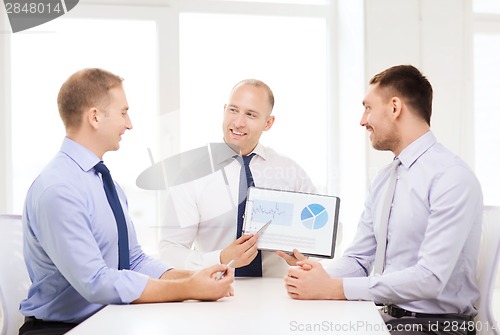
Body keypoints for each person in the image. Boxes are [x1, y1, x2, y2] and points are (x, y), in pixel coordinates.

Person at [19, 68, 233, 335]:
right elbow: (96, 283)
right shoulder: (58, 189)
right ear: (95, 117)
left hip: (107, 320)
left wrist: (194, 277)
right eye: (123, 112)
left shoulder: (104, 182)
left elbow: (132, 260)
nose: (129, 124)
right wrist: (187, 289)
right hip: (62, 330)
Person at [283, 65, 482, 335]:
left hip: (437, 327)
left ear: (395, 107)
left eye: (368, 108)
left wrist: (334, 288)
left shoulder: (451, 177)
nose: (362, 121)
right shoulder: (385, 178)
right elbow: (359, 259)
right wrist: (317, 274)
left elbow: (430, 278)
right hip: (389, 317)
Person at [159, 79, 317, 277]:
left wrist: (306, 256)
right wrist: (221, 259)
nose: (238, 122)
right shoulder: (191, 175)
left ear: (268, 123)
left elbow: (324, 233)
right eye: (233, 110)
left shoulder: (290, 172)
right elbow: (170, 251)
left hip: (279, 297)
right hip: (213, 296)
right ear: (225, 110)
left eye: (250, 114)